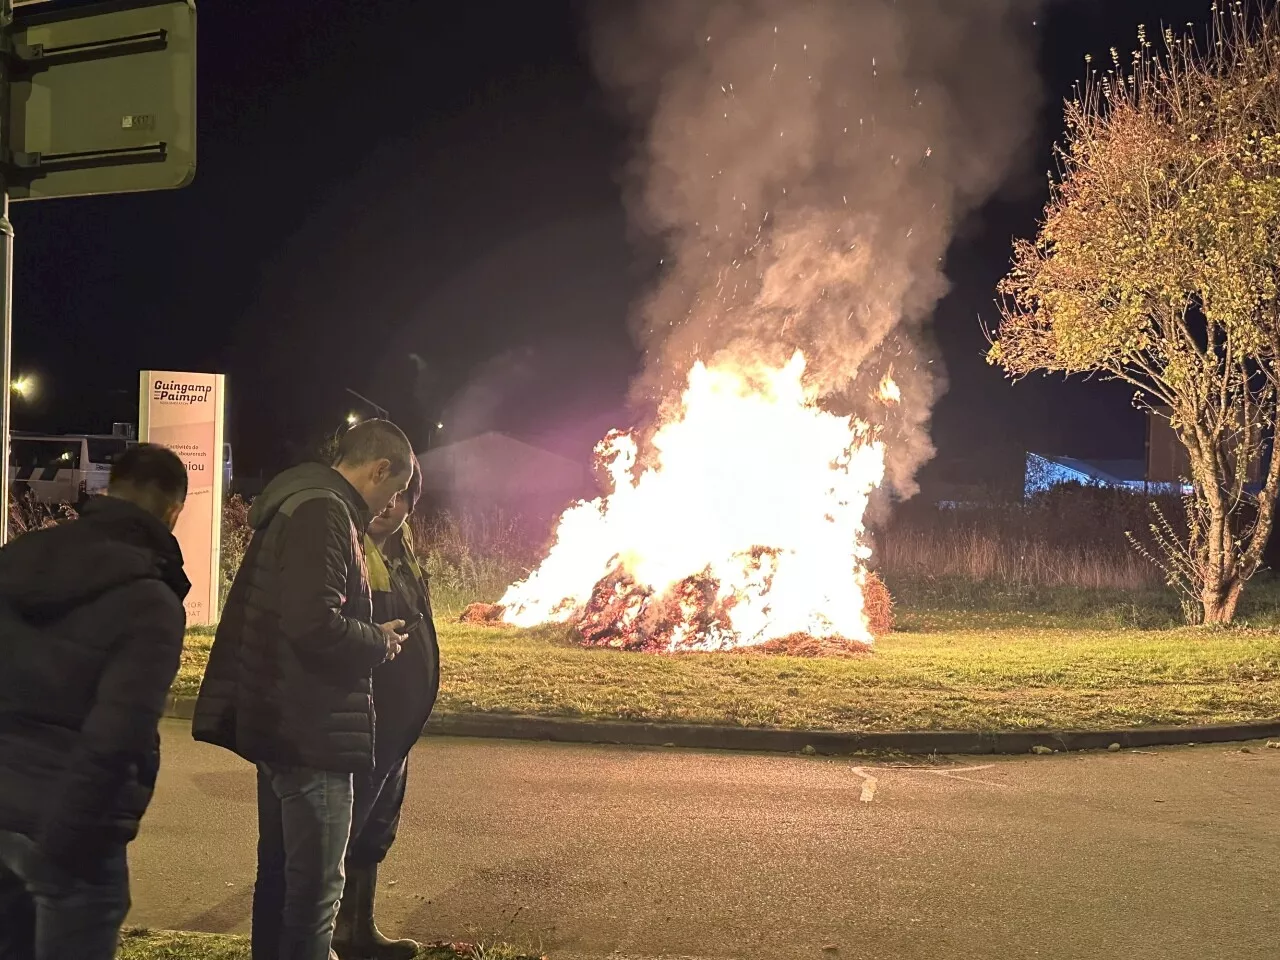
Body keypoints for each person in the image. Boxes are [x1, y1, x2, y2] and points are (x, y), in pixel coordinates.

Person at [192, 419, 414, 960]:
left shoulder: (301, 502)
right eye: (396, 488)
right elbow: (313, 623)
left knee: (283, 882)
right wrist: (377, 642)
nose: (392, 502)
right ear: (380, 469)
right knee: (315, 894)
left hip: (283, 720)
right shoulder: (324, 512)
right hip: (312, 730)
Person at [0, 444, 190, 960]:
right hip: (70, 837)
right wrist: (67, 841)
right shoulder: (151, 600)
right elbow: (117, 738)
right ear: (174, 511)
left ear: (111, 487)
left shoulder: (17, 559)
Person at [333, 454, 439, 960]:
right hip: (365, 718)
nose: (390, 507)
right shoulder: (348, 548)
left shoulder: (400, 554)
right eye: (388, 494)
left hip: (397, 726)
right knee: (345, 829)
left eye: (403, 500)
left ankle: (358, 930)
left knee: (375, 829)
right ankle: (327, 935)